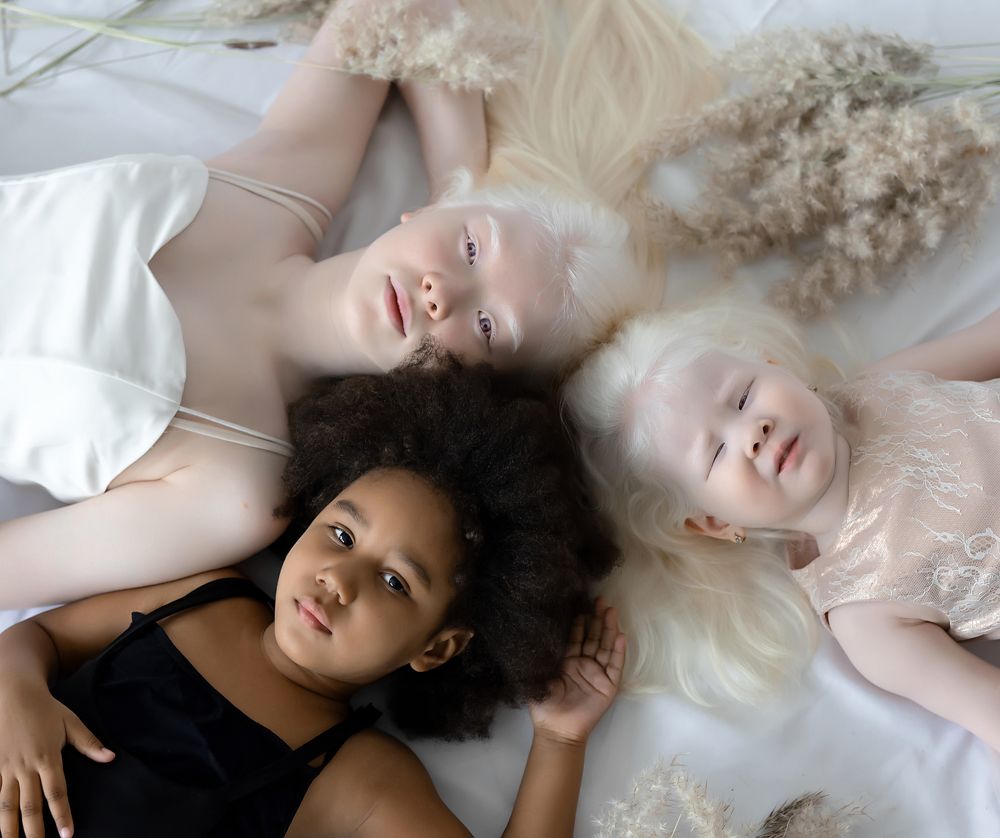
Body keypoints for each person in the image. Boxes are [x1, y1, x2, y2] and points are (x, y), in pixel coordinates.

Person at [0, 0, 716, 610]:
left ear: (468, 384)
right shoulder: (289, 177)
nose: (442, 292)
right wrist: (461, 179)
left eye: (487, 325)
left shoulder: (239, 491)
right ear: (427, 212)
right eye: (470, 247)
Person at [0, 353, 623, 838]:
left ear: (436, 648)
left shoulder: (360, 778)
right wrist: (18, 695)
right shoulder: (206, 592)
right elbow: (39, 635)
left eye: (395, 582)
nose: (338, 579)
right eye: (343, 535)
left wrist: (560, 742)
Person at [563, 297, 1000, 751]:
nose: (752, 432)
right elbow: (989, 709)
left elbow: (990, 338)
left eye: (743, 397)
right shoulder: (865, 612)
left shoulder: (880, 386)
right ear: (713, 521)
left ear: (776, 367)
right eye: (716, 452)